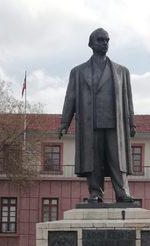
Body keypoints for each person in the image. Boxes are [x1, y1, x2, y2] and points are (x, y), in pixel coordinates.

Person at [59, 27, 136, 203]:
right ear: (91, 43)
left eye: (107, 40)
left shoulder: (121, 71)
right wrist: (64, 123)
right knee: (93, 160)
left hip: (114, 123)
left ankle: (122, 192)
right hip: (89, 122)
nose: (104, 43)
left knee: (117, 160)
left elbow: (128, 98)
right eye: (100, 40)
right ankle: (96, 192)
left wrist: (132, 122)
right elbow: (70, 98)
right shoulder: (78, 72)